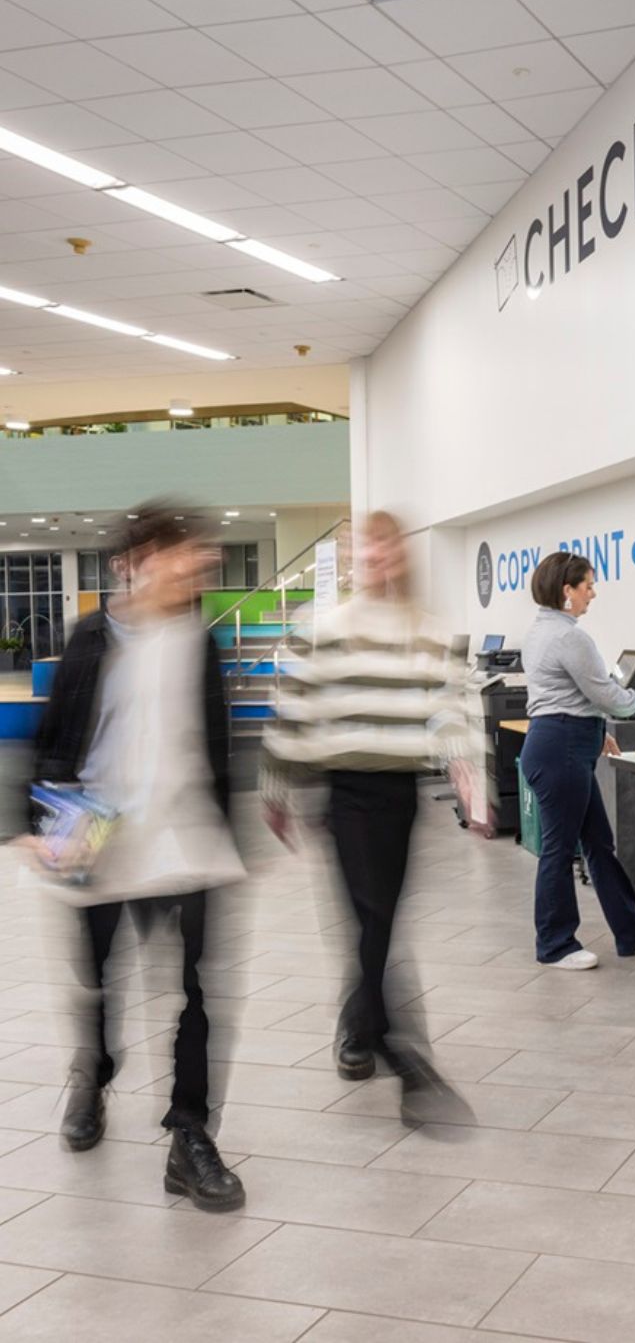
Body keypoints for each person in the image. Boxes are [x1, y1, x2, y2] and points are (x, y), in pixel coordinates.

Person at [27, 505, 246, 1210]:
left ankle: (190, 1135)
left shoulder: (198, 640)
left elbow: (216, 744)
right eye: (186, 555)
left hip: (186, 839)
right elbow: (54, 736)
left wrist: (233, 834)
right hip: (99, 839)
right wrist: (36, 826)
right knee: (96, 979)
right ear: (142, 557)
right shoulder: (91, 637)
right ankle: (92, 1073)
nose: (199, 567)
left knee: (197, 993)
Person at [262, 510, 469, 1122]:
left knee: (378, 922)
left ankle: (359, 1027)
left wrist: (465, 772)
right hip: (344, 791)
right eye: (364, 550)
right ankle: (400, 1051)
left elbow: (449, 703)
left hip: (399, 793)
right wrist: (276, 787)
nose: (375, 559)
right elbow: (292, 708)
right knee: (371, 915)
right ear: (352, 558)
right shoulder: (322, 626)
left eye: (385, 548)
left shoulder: (426, 629)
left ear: (400, 556)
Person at [519, 551, 635, 970]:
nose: (593, 593)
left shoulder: (541, 629)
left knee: (599, 844)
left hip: (562, 741)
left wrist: (593, 730)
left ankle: (633, 931)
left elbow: (566, 695)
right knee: (560, 848)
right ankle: (555, 944)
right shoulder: (570, 637)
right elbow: (608, 696)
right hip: (561, 748)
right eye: (587, 585)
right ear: (566, 590)